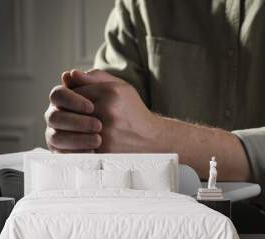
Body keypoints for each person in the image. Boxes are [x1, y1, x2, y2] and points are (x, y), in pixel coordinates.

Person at [44, 0, 265, 210]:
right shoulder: (140, 5)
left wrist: (157, 136)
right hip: (160, 224)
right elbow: (106, 115)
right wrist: (78, 126)